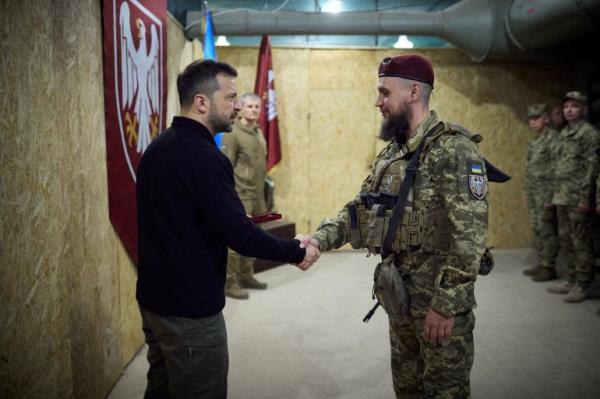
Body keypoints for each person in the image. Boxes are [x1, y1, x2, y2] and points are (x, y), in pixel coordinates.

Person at [298, 54, 488, 398]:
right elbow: (361, 209)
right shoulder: (391, 154)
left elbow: (469, 239)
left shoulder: (454, 151)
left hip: (437, 302)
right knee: (407, 388)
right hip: (398, 295)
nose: (378, 102)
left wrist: (445, 306)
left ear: (414, 92)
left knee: (445, 390)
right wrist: (319, 240)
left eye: (385, 93)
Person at [135, 60, 319, 399]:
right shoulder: (205, 157)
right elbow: (241, 237)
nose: (236, 106)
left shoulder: (157, 148)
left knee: (161, 388)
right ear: (202, 102)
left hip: (154, 301)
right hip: (188, 311)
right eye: (231, 97)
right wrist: (295, 250)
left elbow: (183, 217)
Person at [547, 91, 599, 303]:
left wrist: (587, 197)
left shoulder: (589, 134)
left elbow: (591, 166)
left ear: (583, 109)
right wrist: (553, 194)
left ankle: (583, 284)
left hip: (578, 196)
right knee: (566, 239)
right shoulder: (564, 133)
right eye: (566, 106)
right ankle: (570, 278)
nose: (569, 110)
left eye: (574, 106)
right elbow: (558, 166)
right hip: (562, 195)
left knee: (581, 242)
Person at [221, 93, 269, 299]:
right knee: (234, 242)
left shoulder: (258, 132)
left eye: (257, 107)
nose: (253, 110)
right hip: (240, 196)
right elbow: (225, 166)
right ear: (241, 108)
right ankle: (230, 283)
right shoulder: (233, 133)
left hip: (257, 195)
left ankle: (246, 275)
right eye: (249, 106)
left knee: (253, 238)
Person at [522, 104, 559, 282]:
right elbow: (530, 170)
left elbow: (557, 169)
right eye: (530, 119)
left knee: (547, 230)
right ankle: (543, 262)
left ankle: (549, 266)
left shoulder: (553, 140)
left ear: (546, 118)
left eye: (537, 118)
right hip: (534, 192)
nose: (533, 122)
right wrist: (526, 192)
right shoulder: (535, 142)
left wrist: (552, 195)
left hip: (546, 193)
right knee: (537, 228)